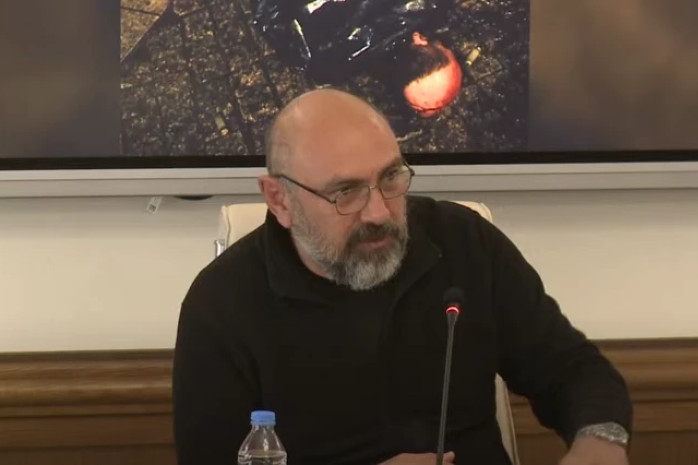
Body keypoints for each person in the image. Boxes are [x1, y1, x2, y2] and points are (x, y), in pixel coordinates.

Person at [172, 88, 633, 465]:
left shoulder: (464, 242)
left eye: (391, 179)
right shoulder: (222, 303)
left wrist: (601, 439)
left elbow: (570, 369)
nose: (379, 213)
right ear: (279, 199)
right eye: (346, 192)